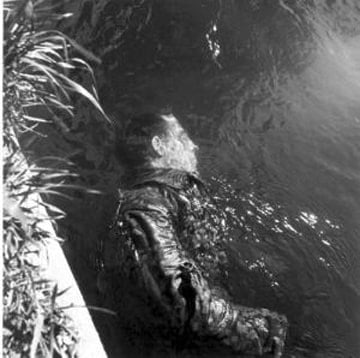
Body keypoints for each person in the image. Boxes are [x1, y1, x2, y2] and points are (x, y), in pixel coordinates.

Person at [99, 112, 288, 357]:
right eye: (183, 136)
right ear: (159, 145)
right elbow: (188, 308)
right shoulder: (145, 206)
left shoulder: (166, 196)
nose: (193, 144)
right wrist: (262, 331)